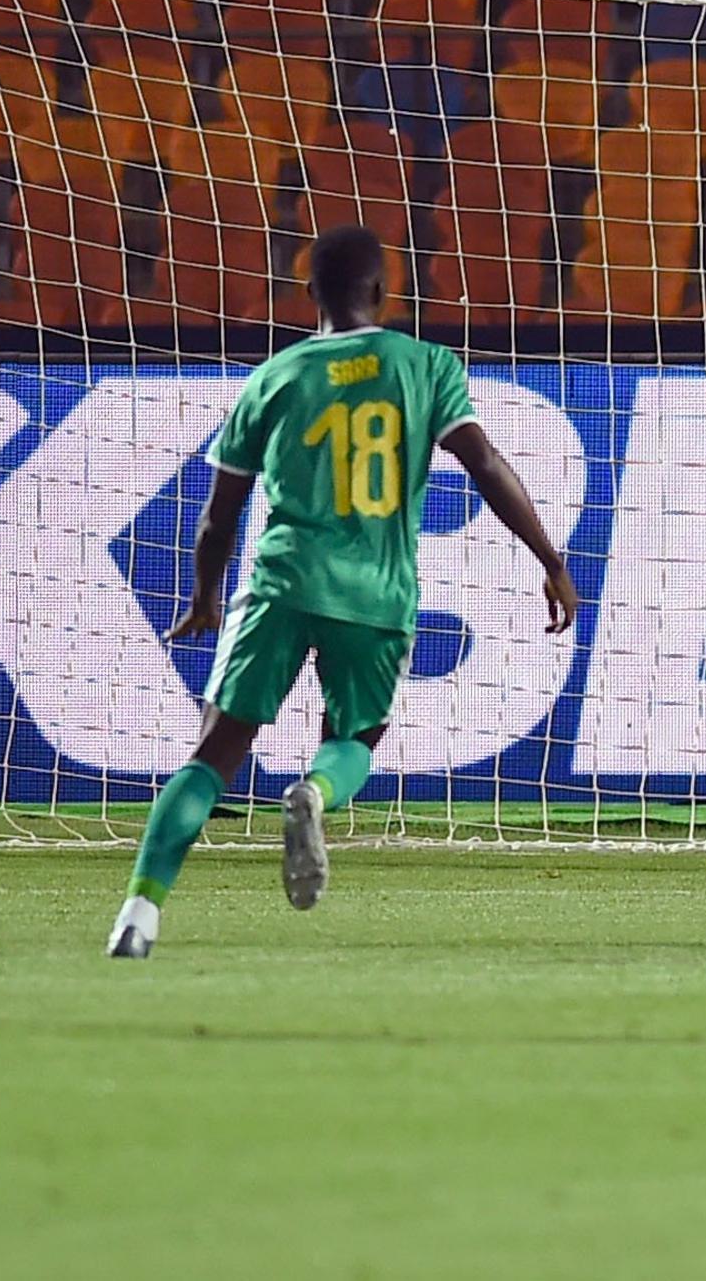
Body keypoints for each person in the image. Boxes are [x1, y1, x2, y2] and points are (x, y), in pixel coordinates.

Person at [109, 225, 581, 959]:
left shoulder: (275, 377)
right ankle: (315, 794)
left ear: (309, 296)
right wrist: (549, 557)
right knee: (355, 738)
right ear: (381, 293)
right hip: (377, 593)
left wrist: (206, 594)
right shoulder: (425, 365)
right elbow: (484, 462)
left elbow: (219, 514)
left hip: (281, 583)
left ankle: (138, 912)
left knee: (213, 752)